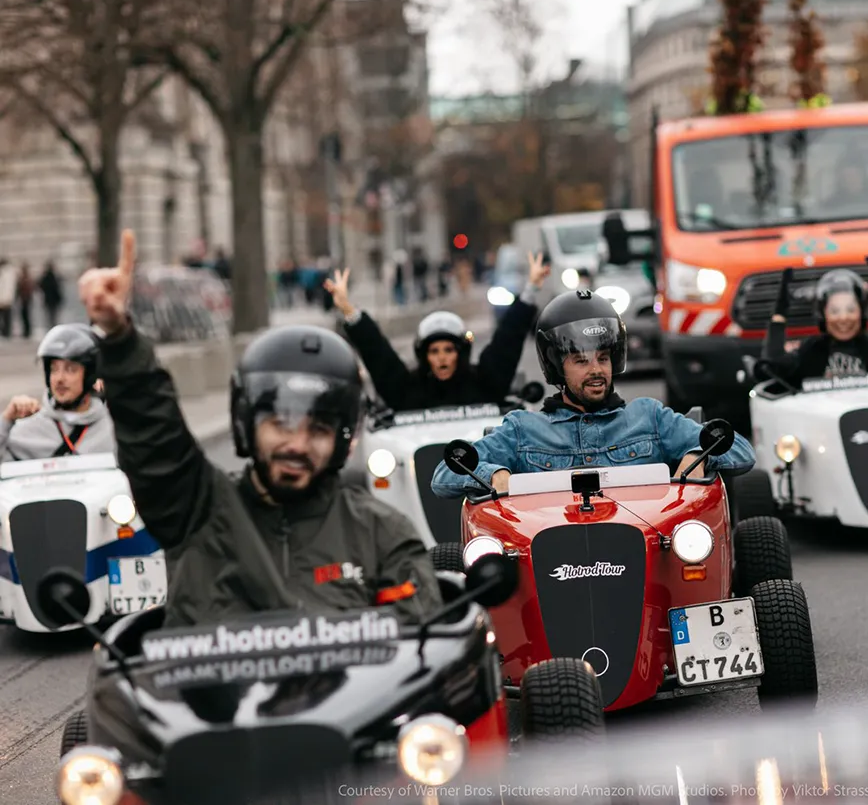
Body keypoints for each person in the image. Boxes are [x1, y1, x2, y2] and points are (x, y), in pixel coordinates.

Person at [78, 229, 442, 628]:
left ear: (343, 438)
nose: (297, 444)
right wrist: (119, 339)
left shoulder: (381, 533)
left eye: (318, 430)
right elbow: (155, 440)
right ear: (246, 422)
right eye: (281, 423)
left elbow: (419, 656)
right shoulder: (198, 512)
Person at [431, 290, 756, 497]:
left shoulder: (650, 417)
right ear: (557, 367)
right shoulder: (522, 430)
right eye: (581, 361)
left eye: (603, 358)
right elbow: (444, 476)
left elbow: (741, 452)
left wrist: (696, 457)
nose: (596, 370)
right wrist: (495, 475)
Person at [325, 251, 550, 411]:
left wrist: (530, 289)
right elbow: (377, 352)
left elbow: (507, 340)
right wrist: (347, 309)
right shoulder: (406, 391)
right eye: (434, 351)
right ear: (424, 355)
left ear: (460, 352)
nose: (442, 358)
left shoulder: (485, 383)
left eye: (449, 349)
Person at [757, 261, 868, 381]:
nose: (843, 318)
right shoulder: (812, 351)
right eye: (835, 311)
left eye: (850, 310)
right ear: (823, 315)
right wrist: (780, 310)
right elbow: (774, 364)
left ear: (861, 313)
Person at [0, 323, 115, 462]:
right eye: (54, 369)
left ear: (90, 375)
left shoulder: (113, 429)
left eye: (71, 369)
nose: (59, 379)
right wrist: (6, 419)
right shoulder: (30, 429)